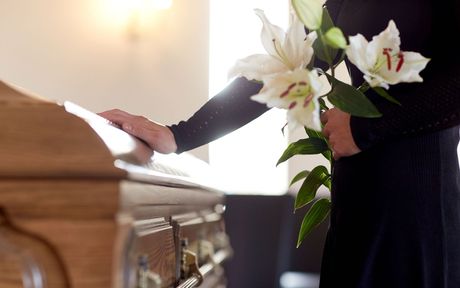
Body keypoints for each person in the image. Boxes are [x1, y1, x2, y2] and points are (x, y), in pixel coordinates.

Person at [100, 0, 460, 287]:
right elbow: (283, 68)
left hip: (418, 205)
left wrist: (367, 128)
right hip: (358, 198)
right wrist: (180, 134)